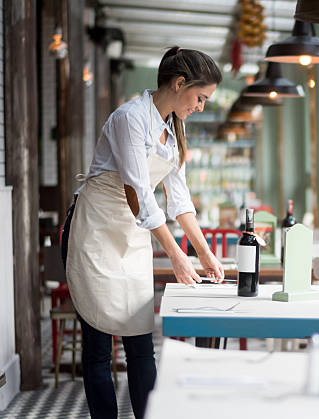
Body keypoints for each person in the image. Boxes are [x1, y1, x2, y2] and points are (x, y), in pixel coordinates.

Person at [64, 46, 224, 419]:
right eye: (200, 97)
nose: (201, 106)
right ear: (179, 82)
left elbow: (179, 201)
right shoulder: (130, 118)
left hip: (134, 237)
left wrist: (204, 253)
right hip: (97, 232)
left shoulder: (172, 130)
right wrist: (176, 255)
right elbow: (138, 194)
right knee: (99, 347)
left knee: (139, 344)